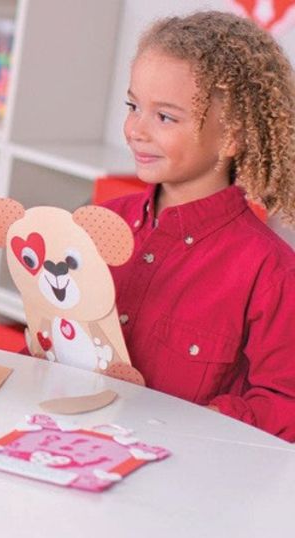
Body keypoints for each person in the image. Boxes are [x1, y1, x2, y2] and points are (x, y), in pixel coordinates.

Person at [107, 11, 295, 441]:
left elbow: (284, 403)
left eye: (165, 117)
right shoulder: (105, 223)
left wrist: (190, 429)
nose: (136, 129)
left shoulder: (270, 271)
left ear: (232, 136)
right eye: (134, 106)